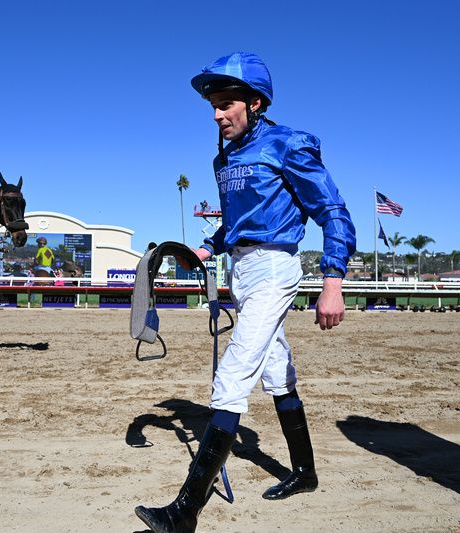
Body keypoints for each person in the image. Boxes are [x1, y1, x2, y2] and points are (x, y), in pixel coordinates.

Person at [135, 52, 356, 532]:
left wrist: (333, 282)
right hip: (241, 270)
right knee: (276, 370)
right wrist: (206, 247)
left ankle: (185, 511)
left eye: (226, 104)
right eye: (213, 105)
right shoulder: (225, 158)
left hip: (276, 269)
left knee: (233, 375)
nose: (217, 114)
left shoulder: (287, 144)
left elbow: (334, 212)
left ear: (255, 103)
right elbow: (234, 224)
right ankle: (305, 473)